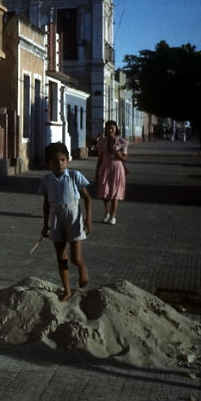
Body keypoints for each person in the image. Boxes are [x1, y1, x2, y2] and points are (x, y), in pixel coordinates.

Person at [39, 141, 92, 302]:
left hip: (74, 220)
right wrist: (45, 225)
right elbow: (46, 203)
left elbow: (87, 198)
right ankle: (67, 290)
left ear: (67, 160)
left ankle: (82, 267)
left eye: (63, 160)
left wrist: (88, 220)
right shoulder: (47, 180)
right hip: (56, 221)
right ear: (48, 163)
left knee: (75, 258)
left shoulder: (75, 176)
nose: (60, 164)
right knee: (61, 257)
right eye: (55, 161)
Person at [95, 120, 127, 224]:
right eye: (107, 128)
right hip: (105, 168)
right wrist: (97, 172)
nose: (109, 130)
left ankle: (113, 216)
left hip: (117, 169)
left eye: (112, 128)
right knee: (104, 192)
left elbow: (125, 158)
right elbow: (100, 158)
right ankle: (107, 212)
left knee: (114, 193)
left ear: (116, 129)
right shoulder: (102, 141)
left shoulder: (122, 142)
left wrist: (118, 154)